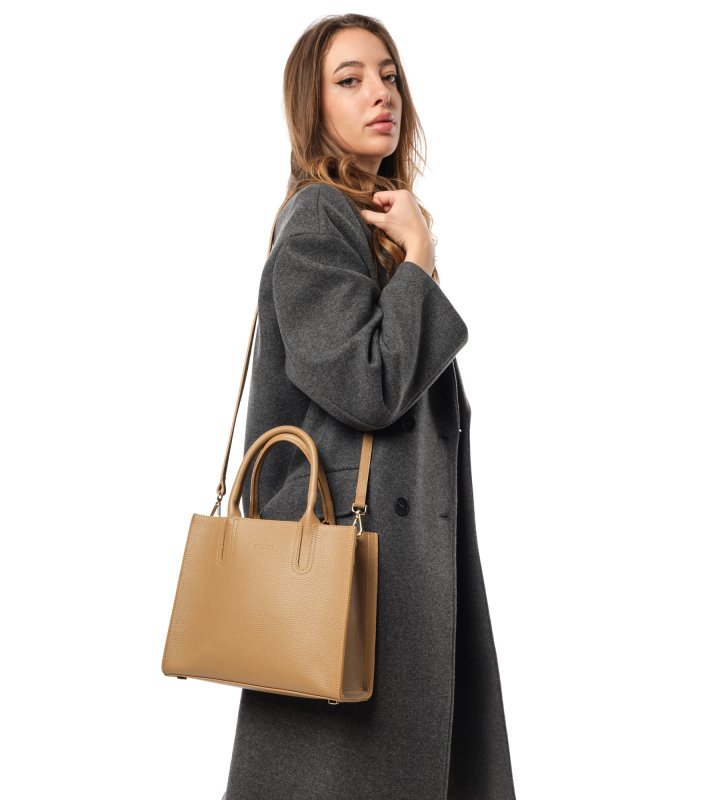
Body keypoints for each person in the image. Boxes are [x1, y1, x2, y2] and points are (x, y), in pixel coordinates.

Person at [222, 13, 517, 800]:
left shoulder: (367, 219)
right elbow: (369, 387)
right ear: (311, 107)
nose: (380, 93)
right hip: (345, 575)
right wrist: (420, 260)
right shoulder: (320, 217)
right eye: (349, 80)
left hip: (386, 570)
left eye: (388, 75)